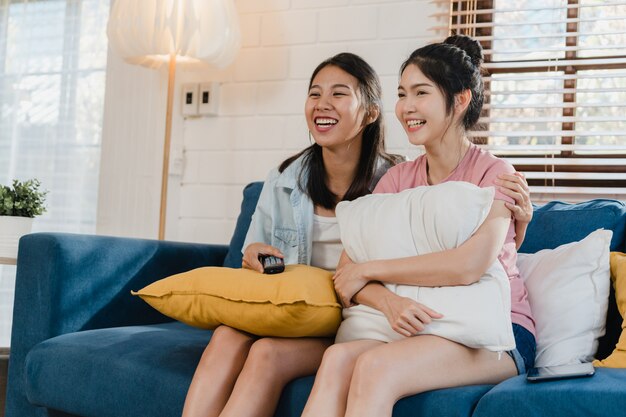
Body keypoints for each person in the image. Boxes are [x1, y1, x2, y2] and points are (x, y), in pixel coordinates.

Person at [301, 35, 536, 417]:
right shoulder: (395, 180)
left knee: (376, 368)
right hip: (419, 325)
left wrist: (372, 270)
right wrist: (389, 301)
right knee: (338, 360)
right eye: (402, 93)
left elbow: (468, 266)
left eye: (420, 93)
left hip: (499, 332)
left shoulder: (496, 174)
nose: (406, 107)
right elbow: (347, 275)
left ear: (459, 100)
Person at [181, 52, 401, 417]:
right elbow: (251, 247)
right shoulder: (284, 179)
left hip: (354, 324)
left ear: (370, 113)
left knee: (266, 353)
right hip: (292, 315)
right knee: (224, 337)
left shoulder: (397, 183)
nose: (322, 104)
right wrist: (254, 254)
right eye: (315, 94)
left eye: (339, 94)